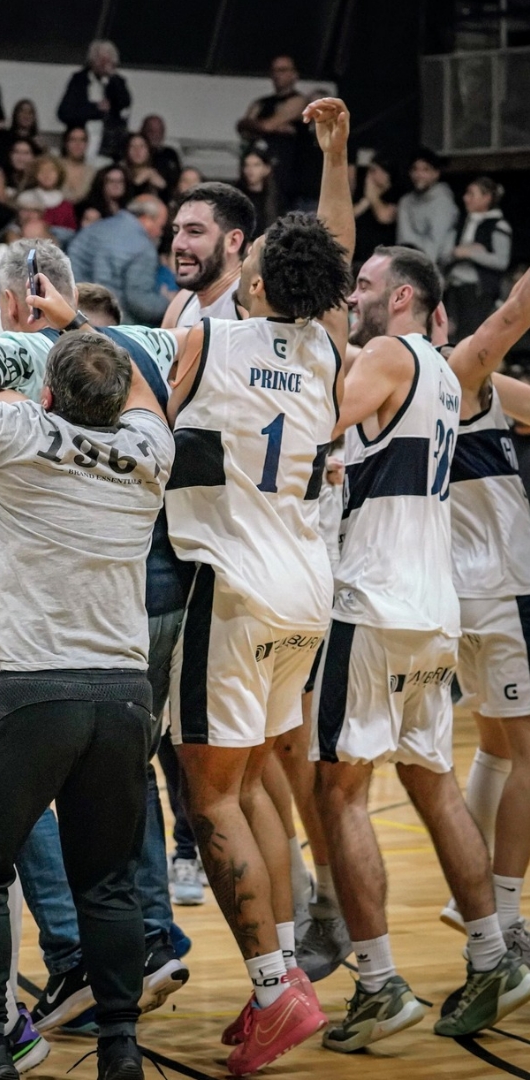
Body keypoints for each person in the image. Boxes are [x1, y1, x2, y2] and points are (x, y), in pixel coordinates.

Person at [0, 319, 173, 1080]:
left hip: (31, 687)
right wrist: (77, 323)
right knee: (109, 882)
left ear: (47, 393)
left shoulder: (19, 430)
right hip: (122, 694)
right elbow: (145, 387)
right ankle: (120, 1047)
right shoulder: (154, 446)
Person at [164, 96, 356, 1075]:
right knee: (262, 785)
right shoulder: (326, 350)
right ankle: (286, 975)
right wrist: (336, 157)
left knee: (210, 799)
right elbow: (331, 257)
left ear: (252, 271)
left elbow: (140, 422)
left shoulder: (210, 340)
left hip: (229, 583)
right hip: (308, 582)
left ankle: (277, 987)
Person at [312, 241, 530, 1051]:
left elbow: (307, 422)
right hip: (434, 600)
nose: (354, 296)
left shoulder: (384, 355)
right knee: (433, 780)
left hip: (371, 596)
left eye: (365, 286)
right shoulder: (444, 372)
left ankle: (376, 985)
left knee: (338, 792)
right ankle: (492, 953)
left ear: (403, 298)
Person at [440, 266, 530, 958]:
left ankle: (462, 893)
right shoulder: (456, 373)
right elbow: (511, 316)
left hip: (461, 591)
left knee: (499, 746)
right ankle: (502, 913)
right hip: (502, 587)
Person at [161, 181, 255, 328]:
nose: (177, 245)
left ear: (232, 241)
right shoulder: (182, 302)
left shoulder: (252, 303)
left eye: (194, 232)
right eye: (175, 231)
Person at [67, 194, 168, 325]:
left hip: (75, 317)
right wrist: (168, 302)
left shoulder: (93, 229)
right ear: (146, 219)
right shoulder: (143, 248)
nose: (160, 233)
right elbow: (141, 303)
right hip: (114, 327)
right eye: (161, 226)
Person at [445, 176, 512, 341]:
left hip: (478, 290)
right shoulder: (462, 223)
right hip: (454, 286)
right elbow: (447, 252)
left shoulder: (498, 226)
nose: (465, 198)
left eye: (472, 194)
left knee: (471, 335)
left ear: (487, 197)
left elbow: (501, 261)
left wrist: (471, 254)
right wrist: (459, 252)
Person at [236, 56, 308, 200]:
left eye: (282, 70)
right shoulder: (262, 102)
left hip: (285, 175)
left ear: (294, 74)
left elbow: (267, 126)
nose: (277, 75)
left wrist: (259, 126)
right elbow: (243, 126)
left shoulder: (298, 101)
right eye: (274, 71)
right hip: (257, 175)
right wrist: (270, 127)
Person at [57, 39, 131, 162]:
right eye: (100, 59)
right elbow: (64, 113)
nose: (104, 64)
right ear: (92, 61)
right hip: (79, 143)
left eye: (108, 60)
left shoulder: (117, 82)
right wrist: (95, 109)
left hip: (108, 148)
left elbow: (124, 105)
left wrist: (112, 78)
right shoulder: (79, 80)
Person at [396, 148, 458, 265]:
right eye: (415, 169)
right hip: (409, 265)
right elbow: (403, 240)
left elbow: (436, 244)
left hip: (439, 269)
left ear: (436, 174)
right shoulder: (405, 201)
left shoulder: (444, 202)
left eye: (425, 170)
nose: (419, 175)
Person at [351, 156, 397, 271]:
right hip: (358, 256)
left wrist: (373, 196)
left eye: (375, 171)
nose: (372, 175)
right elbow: (350, 217)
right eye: (371, 171)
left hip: (382, 257)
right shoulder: (361, 194)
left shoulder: (395, 195)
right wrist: (367, 199)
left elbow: (384, 217)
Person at [237, 145, 281, 234]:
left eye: (256, 165)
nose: (250, 170)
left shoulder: (276, 198)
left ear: (267, 169)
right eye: (247, 165)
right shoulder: (237, 197)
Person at [139, 114, 181, 192]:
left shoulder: (170, 155)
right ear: (142, 131)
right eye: (151, 131)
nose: (155, 135)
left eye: (160, 131)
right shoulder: (134, 153)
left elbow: (176, 183)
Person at [123, 133, 168, 198]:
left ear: (148, 150)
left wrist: (163, 186)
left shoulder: (159, 172)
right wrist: (138, 181)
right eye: (132, 146)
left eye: (142, 146)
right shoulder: (121, 174)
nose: (137, 150)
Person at [60, 127, 95, 204]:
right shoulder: (56, 167)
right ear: (66, 143)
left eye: (82, 140)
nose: (78, 144)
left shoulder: (92, 172)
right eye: (73, 140)